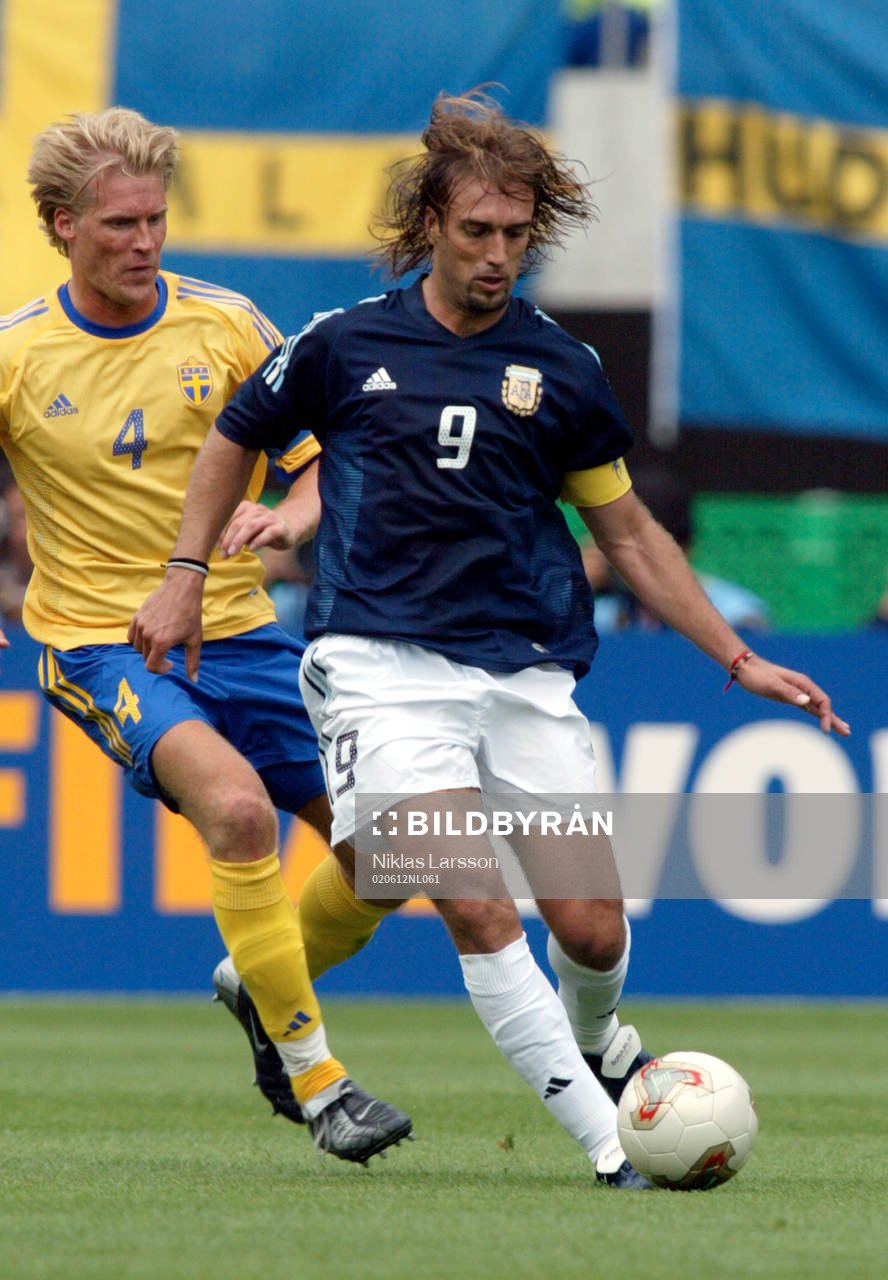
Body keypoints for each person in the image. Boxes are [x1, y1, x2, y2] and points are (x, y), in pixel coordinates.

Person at [130, 88, 850, 1190]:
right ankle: (614, 1145)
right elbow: (235, 436)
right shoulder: (344, 342)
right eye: (478, 232)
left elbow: (629, 534)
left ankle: (588, 1038)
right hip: (376, 667)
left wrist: (736, 655)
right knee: (467, 893)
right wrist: (185, 572)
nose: (498, 255)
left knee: (594, 931)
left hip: (524, 675)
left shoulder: (562, 370)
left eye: (517, 235)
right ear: (431, 225)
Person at [0, 106, 412, 1166]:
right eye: (119, 224)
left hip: (245, 631)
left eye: (156, 220)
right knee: (233, 809)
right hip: (102, 644)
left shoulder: (229, 324)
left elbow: (322, 456)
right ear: (61, 226)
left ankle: (256, 980)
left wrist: (294, 512)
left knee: (389, 854)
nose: (144, 242)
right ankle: (321, 1082)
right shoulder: (16, 354)